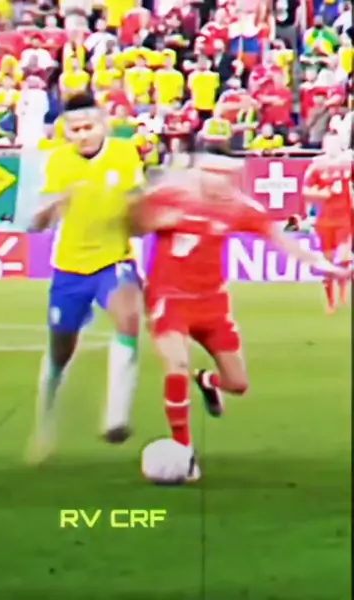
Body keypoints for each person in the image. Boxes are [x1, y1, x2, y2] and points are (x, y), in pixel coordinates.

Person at [129, 152, 351, 481]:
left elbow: (283, 241)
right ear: (200, 174)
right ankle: (184, 450)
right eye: (214, 174)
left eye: (227, 176)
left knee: (238, 384)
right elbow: (132, 225)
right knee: (176, 366)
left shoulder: (239, 208)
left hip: (213, 305)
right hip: (169, 299)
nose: (221, 182)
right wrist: (149, 223)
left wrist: (328, 267)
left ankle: (208, 382)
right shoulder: (170, 197)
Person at [26, 92, 145, 463]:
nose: (82, 135)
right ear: (66, 131)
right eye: (74, 129)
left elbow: (138, 203)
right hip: (70, 266)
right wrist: (53, 203)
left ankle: (116, 417)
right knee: (61, 349)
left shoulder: (124, 154)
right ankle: (45, 423)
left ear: (103, 125)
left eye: (88, 127)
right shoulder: (58, 162)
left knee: (128, 318)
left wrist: (141, 213)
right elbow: (36, 224)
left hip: (114, 259)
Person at [302, 131, 352, 313]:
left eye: (336, 144)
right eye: (330, 144)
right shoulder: (316, 166)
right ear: (324, 146)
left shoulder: (348, 164)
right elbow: (305, 191)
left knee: (344, 256)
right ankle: (330, 302)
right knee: (328, 262)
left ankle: (344, 294)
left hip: (345, 218)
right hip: (324, 221)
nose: (333, 147)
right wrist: (319, 194)